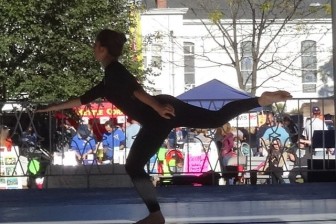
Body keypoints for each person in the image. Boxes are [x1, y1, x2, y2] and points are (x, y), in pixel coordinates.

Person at [37, 29, 292, 224]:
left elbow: (136, 91)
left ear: (103, 49)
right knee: (214, 120)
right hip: (161, 113)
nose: (93, 49)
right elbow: (81, 99)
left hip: (160, 113)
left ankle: (155, 215)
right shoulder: (108, 78)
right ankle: (259, 100)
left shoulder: (115, 71)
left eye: (95, 45)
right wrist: (50, 107)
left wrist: (157, 108)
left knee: (134, 165)